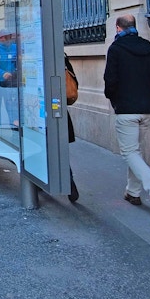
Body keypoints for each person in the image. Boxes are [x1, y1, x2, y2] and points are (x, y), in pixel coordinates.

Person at [103, 14, 150, 219]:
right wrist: (146, 93)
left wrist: (115, 98)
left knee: (130, 152)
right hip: (146, 108)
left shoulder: (116, 49)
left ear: (118, 28)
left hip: (126, 109)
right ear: (134, 26)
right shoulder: (149, 48)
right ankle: (133, 193)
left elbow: (110, 81)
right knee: (135, 152)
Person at [65, 54, 79, 203]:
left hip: (35, 109)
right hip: (59, 109)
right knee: (59, 148)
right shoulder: (61, 57)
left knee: (39, 145)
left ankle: (68, 181)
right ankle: (68, 181)